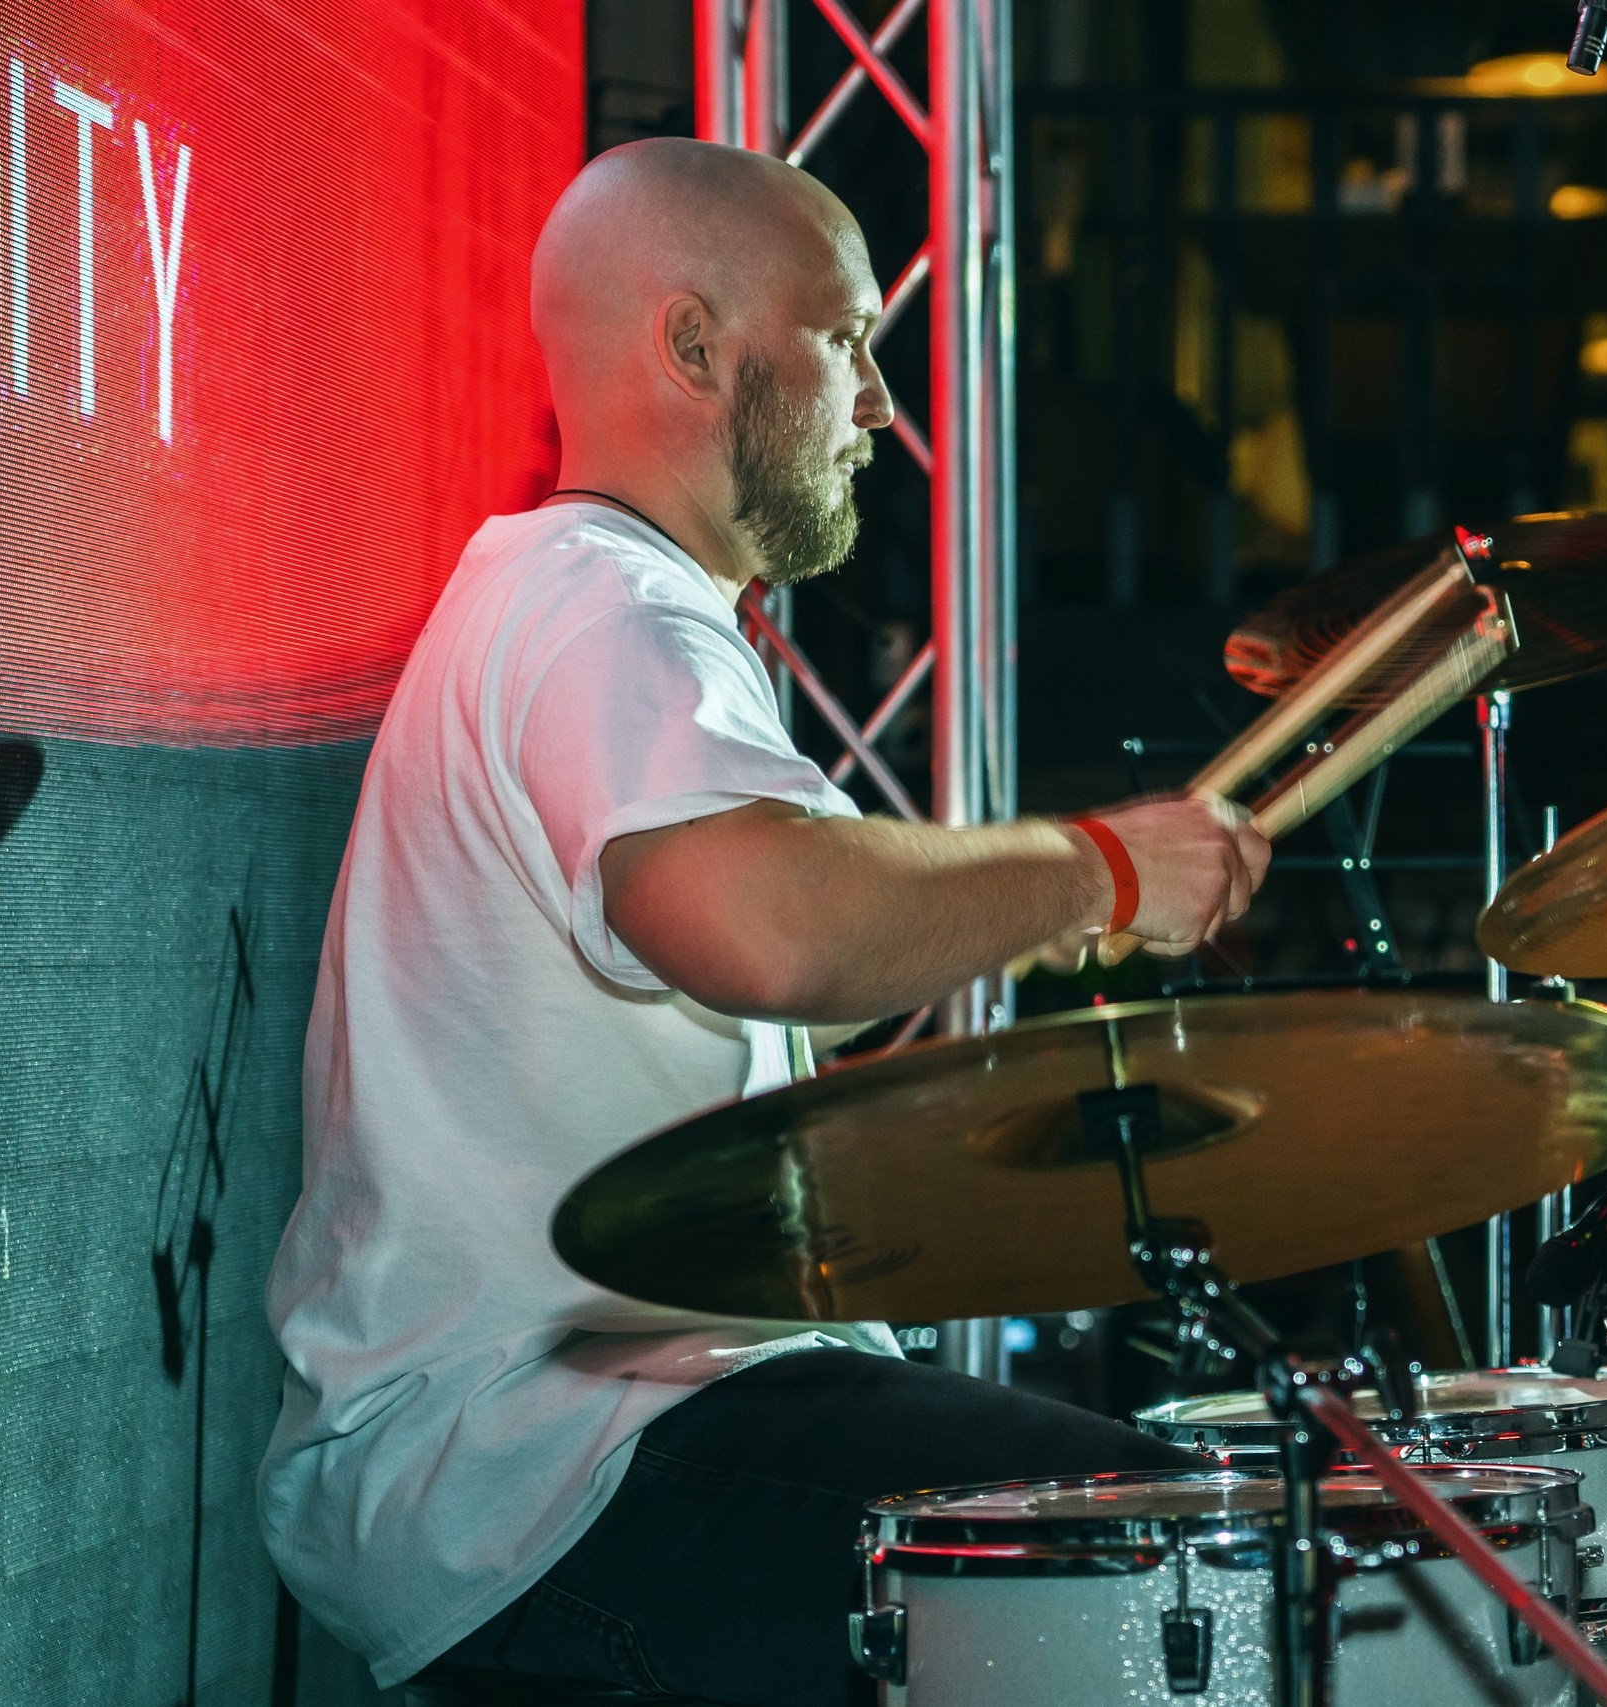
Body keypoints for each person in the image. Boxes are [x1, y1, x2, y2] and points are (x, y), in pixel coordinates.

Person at [257, 138, 1267, 1706]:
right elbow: (768, 933)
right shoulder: (607, 607)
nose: (880, 404)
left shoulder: (584, 598)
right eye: (848, 338)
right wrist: (1097, 870)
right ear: (693, 344)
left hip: (565, 1448)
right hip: (557, 1461)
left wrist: (1009, 914)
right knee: (1204, 1572)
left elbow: (791, 974)